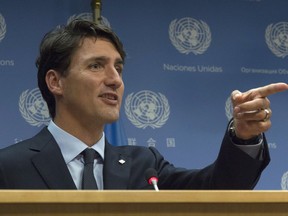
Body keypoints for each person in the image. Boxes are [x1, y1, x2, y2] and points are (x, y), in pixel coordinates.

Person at [0, 19, 287, 190]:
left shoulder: (144, 165)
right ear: (56, 82)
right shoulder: (9, 167)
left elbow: (219, 189)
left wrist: (244, 137)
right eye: (96, 66)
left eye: (119, 68)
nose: (115, 80)